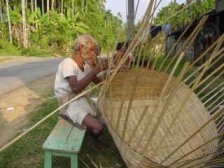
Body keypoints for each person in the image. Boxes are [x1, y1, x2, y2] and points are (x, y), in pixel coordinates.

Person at [54, 35, 107, 145]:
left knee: (106, 113)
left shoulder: (86, 66)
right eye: (91, 50)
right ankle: (91, 136)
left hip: (80, 100)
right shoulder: (68, 63)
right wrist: (95, 70)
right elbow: (76, 88)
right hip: (68, 104)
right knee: (98, 127)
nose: (94, 53)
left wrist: (110, 70)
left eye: (94, 51)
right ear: (82, 48)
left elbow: (99, 82)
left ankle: (90, 130)